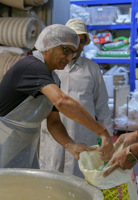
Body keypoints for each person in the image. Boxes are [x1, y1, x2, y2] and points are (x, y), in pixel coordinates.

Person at [0, 24, 114, 170]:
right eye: (66, 50)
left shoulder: (53, 77)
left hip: (22, 143)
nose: (70, 57)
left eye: (72, 52)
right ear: (48, 45)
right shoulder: (32, 67)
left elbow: (53, 122)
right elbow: (62, 101)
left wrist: (70, 145)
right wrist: (101, 131)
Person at [39, 19, 113, 178]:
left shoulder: (92, 69)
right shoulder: (50, 66)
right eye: (73, 39)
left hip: (82, 135)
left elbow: (102, 107)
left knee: (80, 182)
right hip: (53, 132)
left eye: (81, 40)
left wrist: (108, 136)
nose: (77, 44)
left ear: (86, 43)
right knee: (51, 180)